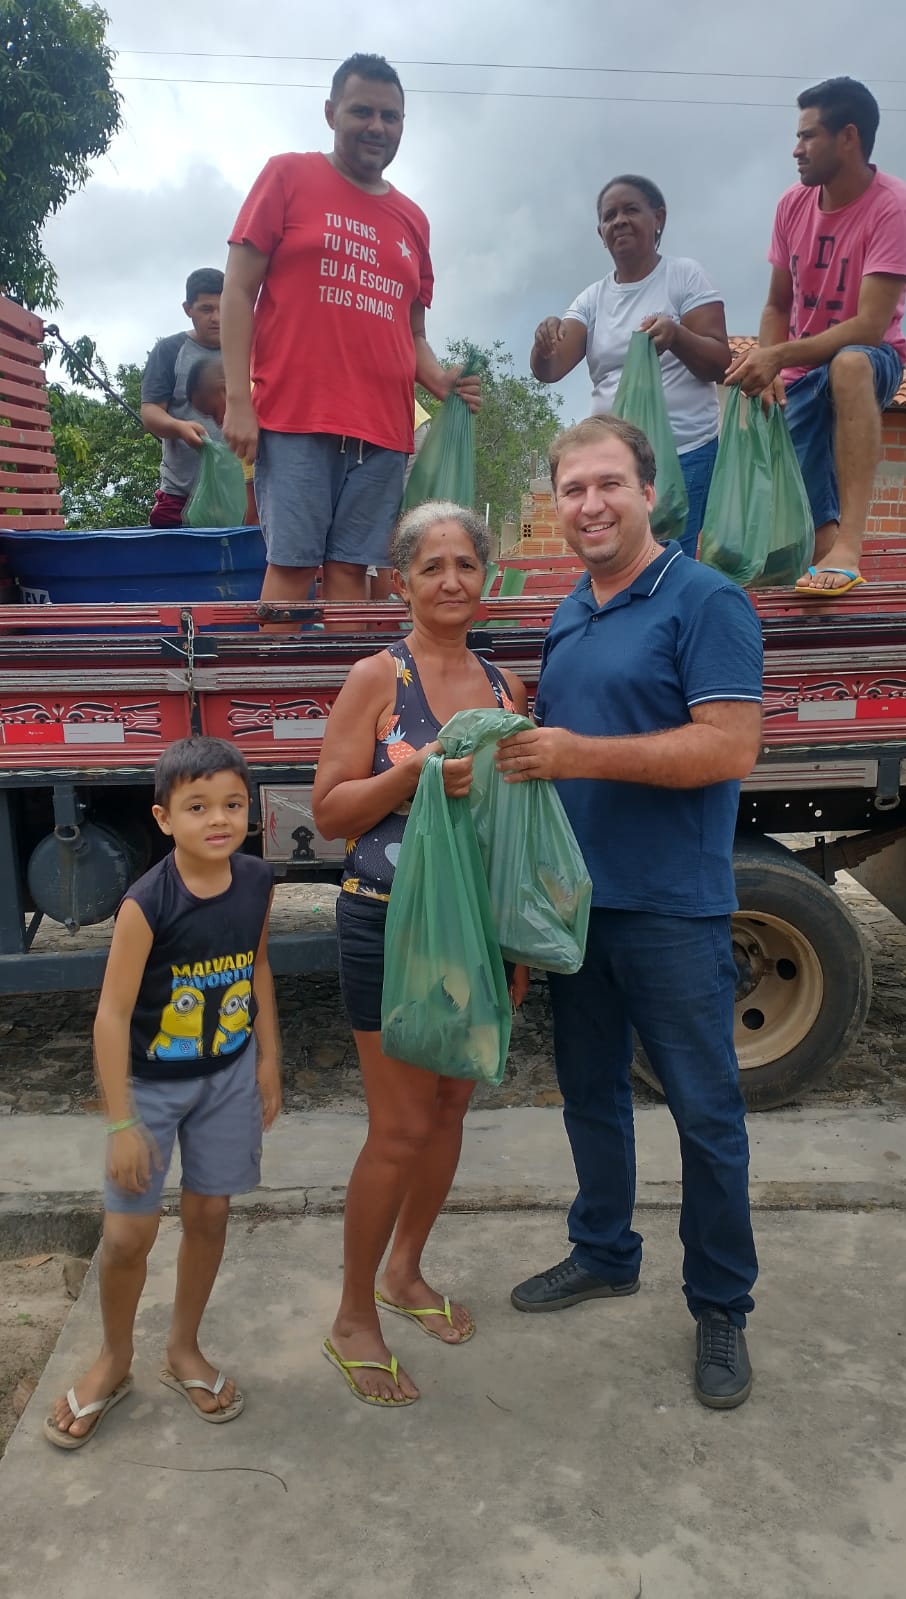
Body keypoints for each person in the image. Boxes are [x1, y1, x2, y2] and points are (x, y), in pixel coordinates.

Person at [495, 415, 763, 1410]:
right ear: (554, 506)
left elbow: (728, 750)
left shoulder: (705, 599)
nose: (591, 505)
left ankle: (722, 1306)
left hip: (672, 911)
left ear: (651, 491)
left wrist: (575, 752)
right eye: (572, 490)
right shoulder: (571, 610)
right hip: (577, 911)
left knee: (706, 1114)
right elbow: (561, 743)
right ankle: (605, 1249)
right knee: (590, 1094)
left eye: (609, 484)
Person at [311, 501, 528, 1405]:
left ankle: (406, 1271)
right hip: (388, 922)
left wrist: (518, 940)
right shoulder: (376, 677)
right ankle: (352, 1313)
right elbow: (329, 814)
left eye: (465, 565)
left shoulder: (511, 689)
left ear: (489, 581)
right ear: (402, 582)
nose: (450, 580)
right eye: (431, 565)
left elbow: (517, 821)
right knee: (398, 1127)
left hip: (478, 931)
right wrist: (415, 769)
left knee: (447, 1116)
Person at [44, 736, 280, 1448]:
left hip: (229, 1076)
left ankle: (183, 1348)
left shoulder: (259, 881)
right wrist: (121, 1122)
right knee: (126, 1235)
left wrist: (270, 1056)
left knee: (209, 1215)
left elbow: (259, 965)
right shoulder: (147, 904)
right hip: (149, 1086)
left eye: (233, 804)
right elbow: (111, 1015)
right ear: (163, 817)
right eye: (198, 805)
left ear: (251, 812)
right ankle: (114, 1359)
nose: (219, 819)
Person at [221, 53, 479, 615]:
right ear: (331, 112)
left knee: (353, 573)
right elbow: (237, 291)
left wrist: (440, 379)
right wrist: (240, 399)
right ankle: (272, 703)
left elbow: (412, 330)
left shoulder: (413, 218)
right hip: (295, 415)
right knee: (290, 567)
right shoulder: (287, 175)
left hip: (384, 428)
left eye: (391, 116)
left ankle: (349, 700)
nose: (377, 127)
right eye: (362, 111)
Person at [726, 77, 906, 595]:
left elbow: (869, 326)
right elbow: (776, 304)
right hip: (800, 364)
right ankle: (824, 554)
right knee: (779, 445)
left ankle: (850, 544)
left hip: (872, 359)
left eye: (808, 136)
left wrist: (779, 356)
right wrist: (771, 365)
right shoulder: (792, 205)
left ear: (849, 138)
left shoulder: (893, 206)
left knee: (849, 365)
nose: (796, 149)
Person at [529, 175, 731, 551]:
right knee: (619, 558)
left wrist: (678, 336)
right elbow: (552, 369)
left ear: (659, 218)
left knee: (669, 563)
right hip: (615, 464)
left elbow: (720, 363)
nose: (619, 221)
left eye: (630, 210)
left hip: (685, 454)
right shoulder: (592, 299)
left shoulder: (684, 276)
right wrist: (542, 346)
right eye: (609, 216)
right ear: (600, 232)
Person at [140, 268, 225, 528]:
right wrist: (178, 427)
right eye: (206, 309)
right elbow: (151, 412)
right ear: (188, 309)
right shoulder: (170, 351)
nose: (217, 318)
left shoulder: (251, 350)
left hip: (243, 495)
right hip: (182, 496)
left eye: (224, 308)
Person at [185, 356, 258, 526]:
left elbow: (255, 512)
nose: (218, 424)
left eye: (214, 412)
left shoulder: (245, 427)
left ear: (225, 391)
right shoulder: (267, 387)